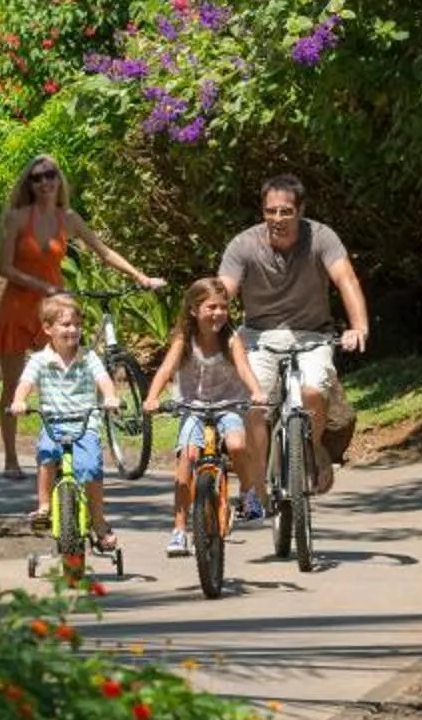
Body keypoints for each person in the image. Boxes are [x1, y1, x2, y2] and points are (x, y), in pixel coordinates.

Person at [0, 155, 164, 480]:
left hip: (54, 308)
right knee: (13, 385)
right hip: (19, 308)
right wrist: (42, 285)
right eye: (36, 178)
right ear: (29, 184)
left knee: (61, 377)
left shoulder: (69, 218)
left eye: (49, 175)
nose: (44, 182)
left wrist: (140, 276)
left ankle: (62, 450)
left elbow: (103, 252)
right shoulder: (17, 218)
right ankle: (10, 458)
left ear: (58, 179)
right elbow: (5, 268)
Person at [218, 173, 369, 513]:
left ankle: (311, 447)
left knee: (315, 391)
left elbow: (345, 279)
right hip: (258, 336)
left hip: (313, 334)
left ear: (301, 211)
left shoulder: (321, 237)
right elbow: (223, 290)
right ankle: (257, 486)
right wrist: (211, 324)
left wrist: (358, 327)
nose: (277, 219)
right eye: (270, 211)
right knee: (254, 407)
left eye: (286, 212)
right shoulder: (244, 245)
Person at [143, 275, 262, 556]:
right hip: (192, 407)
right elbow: (165, 370)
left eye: (223, 306)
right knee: (187, 459)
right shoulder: (185, 339)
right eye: (211, 307)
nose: (218, 313)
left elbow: (244, 369)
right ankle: (179, 529)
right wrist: (152, 398)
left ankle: (248, 494)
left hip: (228, 404)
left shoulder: (231, 338)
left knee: (237, 445)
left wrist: (256, 391)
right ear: (194, 310)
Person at [7, 292, 122, 552]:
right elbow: (25, 383)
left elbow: (103, 379)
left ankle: (99, 521)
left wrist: (111, 397)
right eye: (66, 325)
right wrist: (19, 402)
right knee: (46, 454)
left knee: (91, 468)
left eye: (77, 325)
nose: (73, 330)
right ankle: (44, 506)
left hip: (85, 422)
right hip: (54, 422)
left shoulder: (88, 357)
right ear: (48, 328)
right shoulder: (39, 360)